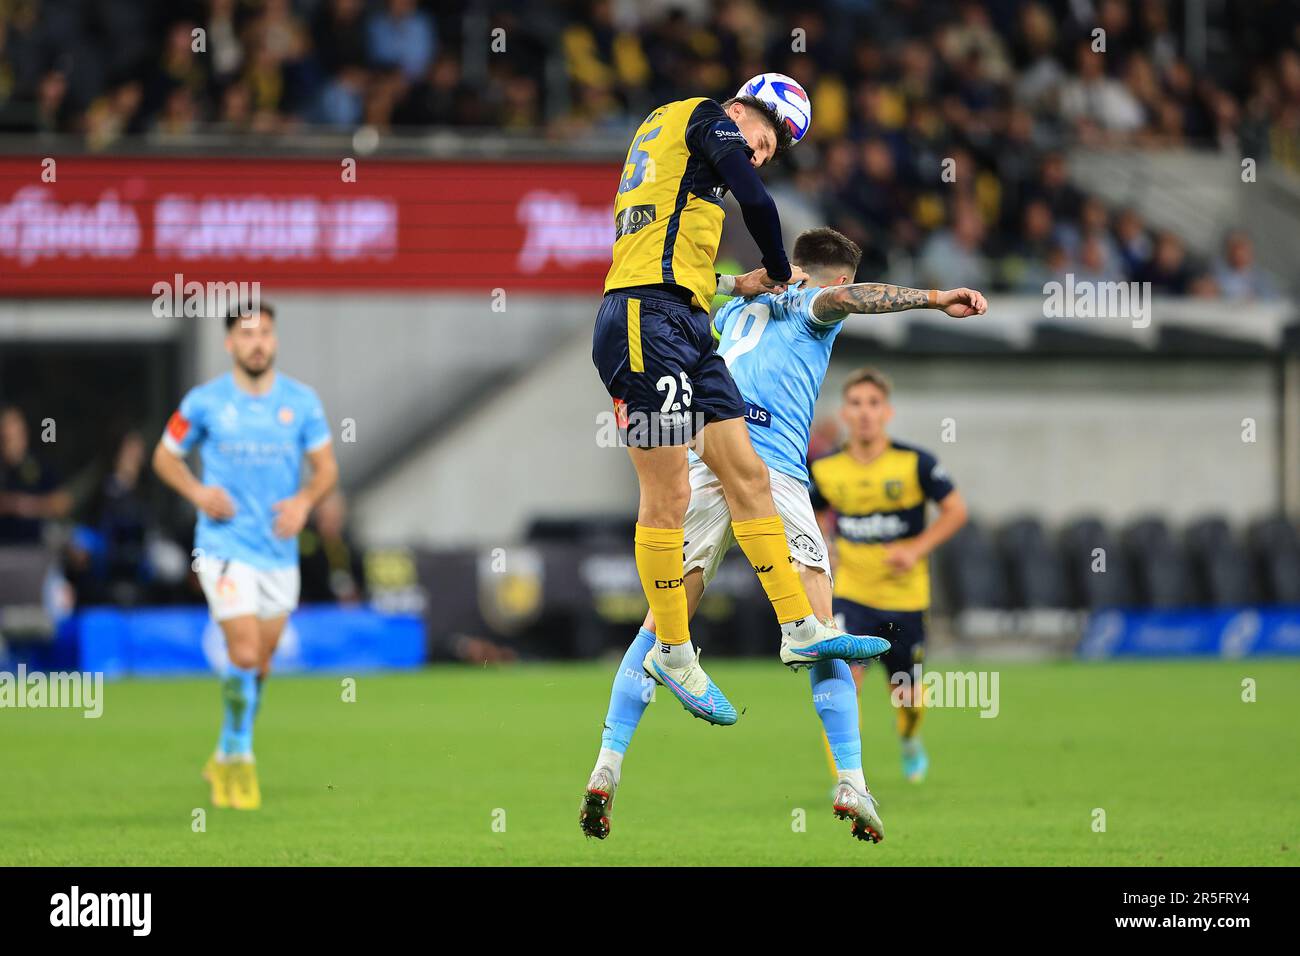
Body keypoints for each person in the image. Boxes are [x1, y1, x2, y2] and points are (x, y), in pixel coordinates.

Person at [582, 227, 987, 842]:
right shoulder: (812, 303)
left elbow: (686, 293)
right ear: (839, 278)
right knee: (819, 629)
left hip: (701, 459)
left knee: (664, 623)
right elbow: (851, 301)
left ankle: (607, 766)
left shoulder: (737, 305)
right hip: (768, 470)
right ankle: (851, 779)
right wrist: (936, 298)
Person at [592, 88, 891, 735]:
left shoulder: (676, 158)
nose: (759, 154)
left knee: (746, 474)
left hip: (684, 322)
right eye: (763, 136)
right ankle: (673, 650)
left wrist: (739, 284)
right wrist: (780, 269)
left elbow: (672, 251)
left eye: (770, 150)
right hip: (646, 324)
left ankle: (800, 628)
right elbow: (756, 203)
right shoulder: (703, 118)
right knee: (666, 494)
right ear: (739, 108)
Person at [152, 305, 338, 810]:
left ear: (274, 341)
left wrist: (303, 502)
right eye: (246, 334)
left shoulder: (300, 403)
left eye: (264, 333)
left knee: (260, 666)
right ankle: (240, 757)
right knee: (245, 654)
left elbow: (325, 470)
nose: (257, 342)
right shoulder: (206, 402)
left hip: (278, 551)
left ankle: (223, 751)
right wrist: (196, 493)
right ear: (230, 343)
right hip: (223, 548)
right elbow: (164, 455)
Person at [811, 368, 970, 784]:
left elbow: (956, 511)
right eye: (857, 404)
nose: (865, 413)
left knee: (908, 697)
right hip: (850, 595)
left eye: (873, 404)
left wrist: (916, 549)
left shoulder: (915, 463)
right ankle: (847, 780)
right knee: (842, 682)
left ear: (887, 412)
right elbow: (808, 511)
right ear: (845, 413)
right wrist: (821, 547)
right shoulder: (826, 469)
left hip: (905, 599)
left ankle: (910, 738)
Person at [0, 405, 72, 545]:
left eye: (15, 436)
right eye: (5, 438)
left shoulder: (40, 466)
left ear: (24, 434)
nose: (10, 443)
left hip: (35, 549)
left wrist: (27, 506)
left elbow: (63, 503)